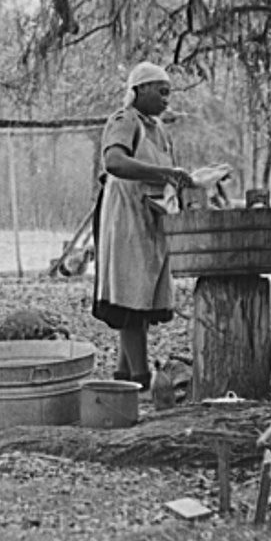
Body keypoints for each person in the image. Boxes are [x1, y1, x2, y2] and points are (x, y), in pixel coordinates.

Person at [92, 62, 195, 391]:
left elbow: (167, 173)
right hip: (125, 216)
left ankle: (123, 381)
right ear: (139, 90)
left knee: (143, 295)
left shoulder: (160, 130)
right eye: (160, 89)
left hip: (152, 216)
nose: (167, 95)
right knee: (129, 296)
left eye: (169, 90)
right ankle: (141, 380)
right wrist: (163, 174)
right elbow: (115, 162)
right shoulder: (124, 121)